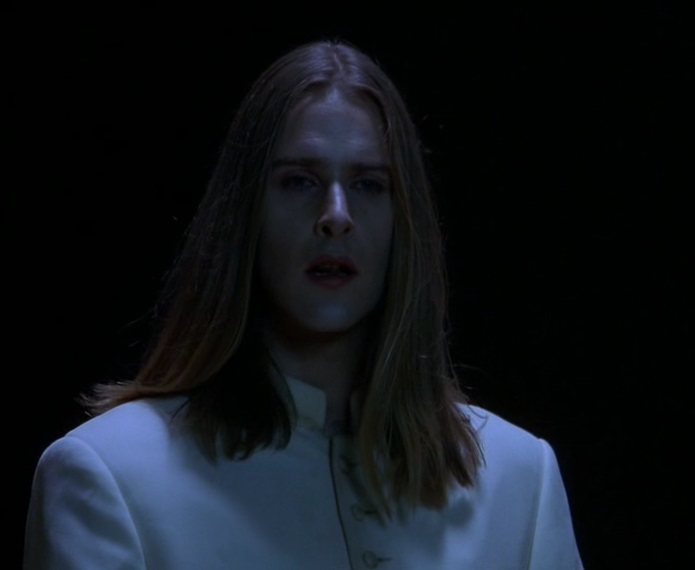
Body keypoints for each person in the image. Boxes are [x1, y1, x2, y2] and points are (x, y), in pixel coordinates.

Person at [24, 38, 584, 569]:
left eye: (368, 184)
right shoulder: (111, 475)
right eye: (299, 181)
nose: (336, 215)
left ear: (403, 221)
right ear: (245, 214)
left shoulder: (519, 481)